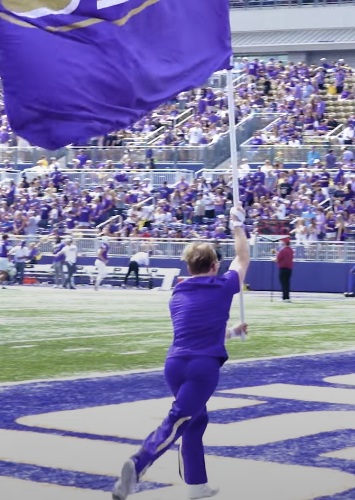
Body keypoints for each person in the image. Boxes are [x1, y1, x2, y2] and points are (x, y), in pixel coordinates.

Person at [112, 205, 250, 500]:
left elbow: (202, 328)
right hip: (202, 368)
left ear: (190, 268)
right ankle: (137, 466)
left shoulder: (179, 293)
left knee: (195, 420)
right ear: (214, 266)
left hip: (175, 364)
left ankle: (197, 484)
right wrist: (238, 225)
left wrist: (233, 332)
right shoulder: (223, 286)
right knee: (176, 422)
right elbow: (242, 258)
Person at [276, 237, 294, 302]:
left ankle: (284, 297)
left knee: (283, 283)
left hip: (283, 269)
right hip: (289, 269)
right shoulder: (291, 250)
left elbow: (277, 259)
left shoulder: (283, 250)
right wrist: (276, 253)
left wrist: (272, 259)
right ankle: (287, 297)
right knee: (287, 283)